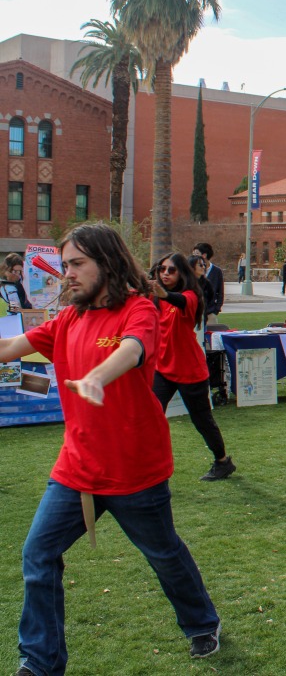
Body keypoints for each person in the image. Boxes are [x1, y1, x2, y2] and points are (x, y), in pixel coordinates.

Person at [0, 224, 221, 670]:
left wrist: (98, 377)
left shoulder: (140, 309)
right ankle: (40, 662)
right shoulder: (67, 319)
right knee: (38, 555)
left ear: (108, 261)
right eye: (65, 266)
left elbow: (134, 348)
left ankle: (201, 623)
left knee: (164, 554)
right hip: (76, 468)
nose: (68, 274)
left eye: (78, 264)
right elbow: (8, 347)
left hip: (133, 468)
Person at [148, 253, 236, 482]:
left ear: (182, 273)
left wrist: (164, 294)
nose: (165, 273)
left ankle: (223, 461)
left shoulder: (191, 295)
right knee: (150, 416)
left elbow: (182, 301)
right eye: (162, 269)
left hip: (189, 371)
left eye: (171, 270)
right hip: (163, 369)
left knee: (202, 420)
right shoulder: (155, 298)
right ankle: (147, 466)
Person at [192, 243, 224, 324]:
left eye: (196, 254)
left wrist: (216, 310)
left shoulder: (217, 271)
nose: (194, 256)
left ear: (204, 255)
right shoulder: (191, 270)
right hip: (195, 313)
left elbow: (220, 292)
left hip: (210, 313)